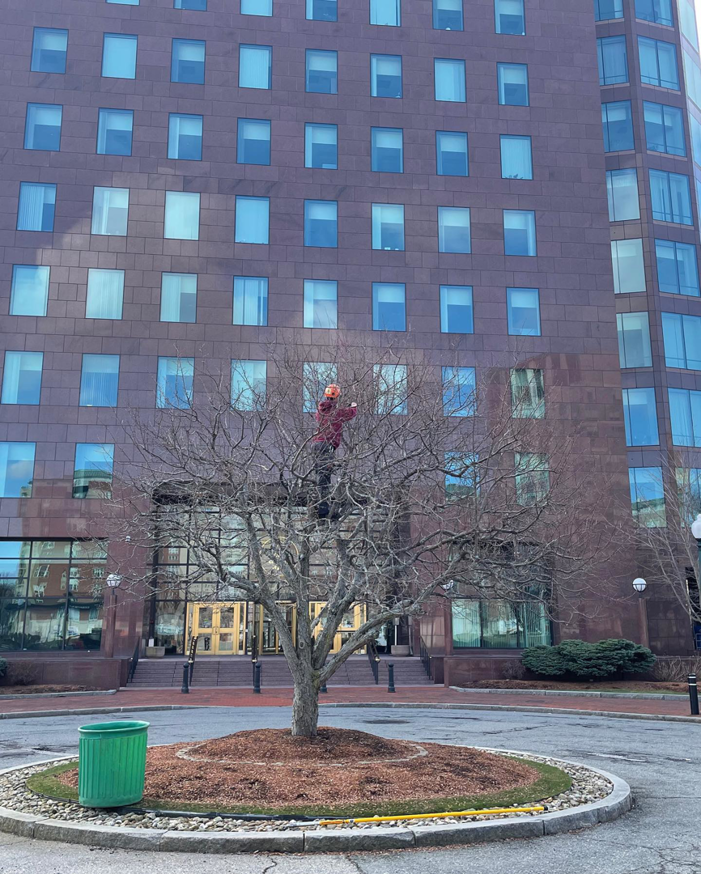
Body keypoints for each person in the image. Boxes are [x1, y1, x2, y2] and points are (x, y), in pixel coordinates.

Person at [310, 384, 357, 517]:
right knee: (324, 479)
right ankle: (323, 511)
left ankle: (318, 507)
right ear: (336, 397)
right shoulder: (336, 412)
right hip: (326, 445)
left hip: (316, 445)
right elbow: (349, 413)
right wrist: (354, 406)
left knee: (320, 477)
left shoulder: (320, 411)